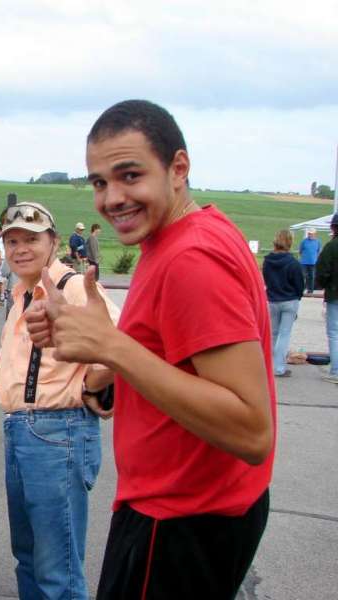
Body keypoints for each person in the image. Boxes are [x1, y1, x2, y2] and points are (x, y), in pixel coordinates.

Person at [26, 100, 275, 599]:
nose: (112, 197)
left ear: (177, 169)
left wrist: (114, 347)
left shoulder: (191, 259)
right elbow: (178, 358)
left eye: (130, 175)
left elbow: (252, 429)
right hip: (196, 509)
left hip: (180, 520)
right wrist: (106, 372)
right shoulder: (180, 237)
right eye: (99, 182)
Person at [0, 202, 120, 599]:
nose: (20, 249)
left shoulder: (70, 288)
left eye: (31, 239)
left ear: (53, 241)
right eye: (12, 240)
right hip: (23, 431)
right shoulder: (21, 293)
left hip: (57, 433)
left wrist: (90, 386)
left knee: (57, 569)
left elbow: (122, 347)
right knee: (29, 557)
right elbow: (23, 352)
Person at [262, 230, 304, 377]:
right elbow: (299, 285)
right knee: (284, 335)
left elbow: (265, 279)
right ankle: (279, 367)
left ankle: (269, 366)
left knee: (272, 334)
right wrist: (297, 297)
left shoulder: (267, 261)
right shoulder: (293, 263)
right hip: (290, 300)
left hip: (272, 299)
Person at [315, 213, 338, 384]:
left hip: (335, 293)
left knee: (334, 333)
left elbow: (323, 269)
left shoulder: (332, 247)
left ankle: (336, 370)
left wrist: (322, 284)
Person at [298, 228, 321, 294]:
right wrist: (301, 258)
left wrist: (317, 259)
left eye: (311, 234)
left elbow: (318, 251)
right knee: (302, 276)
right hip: (304, 262)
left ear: (315, 234)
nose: (310, 235)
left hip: (313, 262)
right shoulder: (304, 241)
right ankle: (301, 289)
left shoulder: (318, 242)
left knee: (312, 276)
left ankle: (310, 290)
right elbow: (300, 251)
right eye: (309, 234)